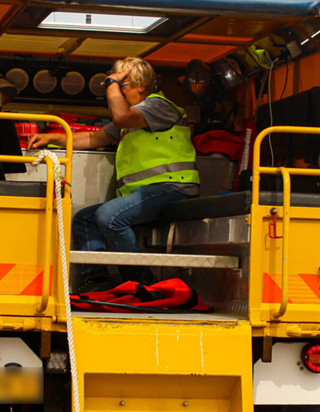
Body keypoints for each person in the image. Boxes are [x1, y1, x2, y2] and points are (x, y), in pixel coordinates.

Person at [27, 56, 199, 291]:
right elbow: (93, 138)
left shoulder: (158, 106)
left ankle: (141, 282)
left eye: (121, 84)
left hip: (174, 189)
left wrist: (110, 83)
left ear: (141, 85)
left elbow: (120, 117)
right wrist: (51, 138)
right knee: (85, 219)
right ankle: (98, 281)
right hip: (148, 193)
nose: (116, 91)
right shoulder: (132, 118)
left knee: (110, 216)